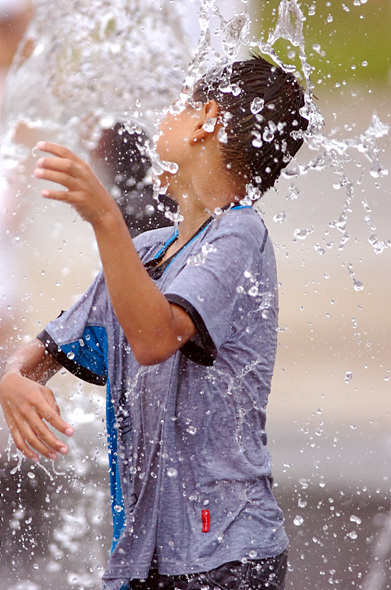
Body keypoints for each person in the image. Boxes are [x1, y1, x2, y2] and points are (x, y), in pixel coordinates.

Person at [0, 54, 308, 590]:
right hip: (147, 555)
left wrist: (104, 216)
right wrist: (12, 379)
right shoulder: (148, 251)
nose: (163, 115)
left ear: (207, 120)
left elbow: (154, 337)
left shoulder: (240, 236)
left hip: (227, 555)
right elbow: (47, 348)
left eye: (179, 104)